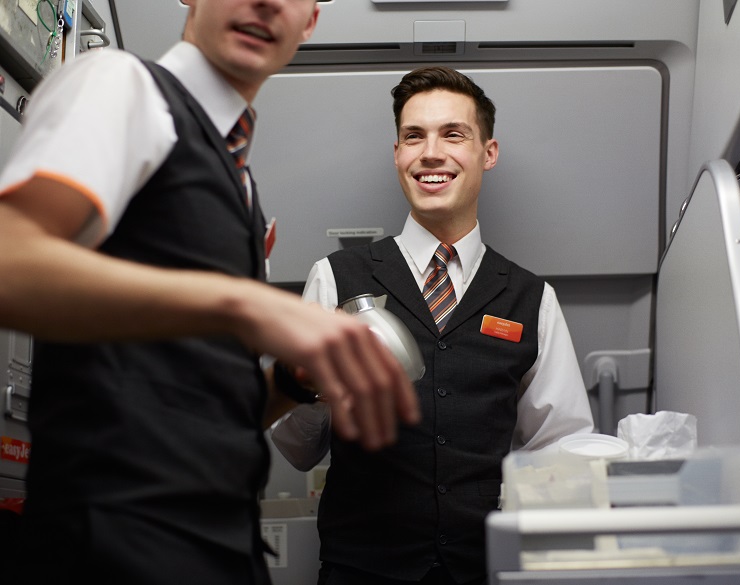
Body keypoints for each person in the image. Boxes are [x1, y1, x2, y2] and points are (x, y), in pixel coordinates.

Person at [0, 1, 419, 584]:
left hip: (220, 546)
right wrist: (244, 303)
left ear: (310, 24)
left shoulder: (243, 190)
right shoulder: (122, 87)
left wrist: (295, 381)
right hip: (112, 541)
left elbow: (206, 408)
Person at [271, 66, 595, 585]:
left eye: (453, 134)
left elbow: (557, 446)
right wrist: (310, 385)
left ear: (488, 153)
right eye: (412, 136)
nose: (430, 153)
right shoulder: (336, 280)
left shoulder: (532, 298)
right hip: (362, 569)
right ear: (397, 154)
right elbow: (296, 447)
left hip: (487, 570)